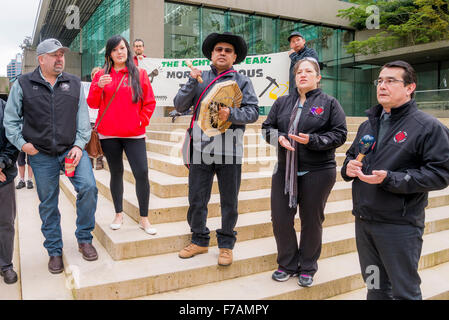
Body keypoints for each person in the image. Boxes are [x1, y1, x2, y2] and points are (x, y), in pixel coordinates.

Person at [342, 60, 449, 300]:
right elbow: (351, 156)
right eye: (380, 80)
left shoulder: (428, 127)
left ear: (410, 87)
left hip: (399, 225)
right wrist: (348, 167)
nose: (382, 85)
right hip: (364, 221)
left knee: (405, 292)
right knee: (374, 287)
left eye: (391, 81)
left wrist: (391, 179)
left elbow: (441, 174)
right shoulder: (368, 124)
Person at [4, 38, 99, 274]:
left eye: (62, 55)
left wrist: (79, 145)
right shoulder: (23, 84)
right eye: (55, 55)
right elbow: (11, 120)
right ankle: (54, 250)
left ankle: (84, 238)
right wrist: (23, 145)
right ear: (41, 59)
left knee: (89, 188)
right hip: (41, 155)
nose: (60, 59)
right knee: (48, 204)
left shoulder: (74, 84)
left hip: (71, 150)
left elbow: (83, 121)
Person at [174, 32, 259, 266]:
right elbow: (179, 105)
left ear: (234, 57)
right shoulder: (199, 78)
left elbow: (253, 112)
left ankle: (226, 245)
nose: (222, 53)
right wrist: (192, 81)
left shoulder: (242, 82)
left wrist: (231, 114)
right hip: (201, 149)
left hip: (230, 149)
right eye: (218, 49)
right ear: (211, 54)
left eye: (228, 50)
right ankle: (199, 239)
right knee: (197, 198)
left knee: (229, 201)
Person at [262, 57, 347, 287]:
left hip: (318, 171)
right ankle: (288, 263)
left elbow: (340, 134)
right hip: (284, 170)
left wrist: (312, 140)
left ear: (318, 77)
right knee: (280, 219)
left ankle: (308, 266)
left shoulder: (329, 103)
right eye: (299, 71)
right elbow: (266, 127)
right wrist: (278, 137)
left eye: (309, 71)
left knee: (311, 221)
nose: (303, 74)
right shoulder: (281, 102)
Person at [87, 35, 157, 235]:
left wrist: (141, 120)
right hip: (109, 134)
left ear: (128, 50)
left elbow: (149, 102)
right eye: (115, 49)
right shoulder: (101, 75)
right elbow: (92, 103)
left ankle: (144, 218)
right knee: (116, 173)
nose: (120, 52)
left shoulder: (140, 74)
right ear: (110, 54)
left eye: (123, 48)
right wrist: (98, 86)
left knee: (142, 173)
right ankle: (119, 214)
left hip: (134, 134)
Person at [0, 98, 19, 284]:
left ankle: (6, 265)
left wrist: (1, 163)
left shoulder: (5, 108)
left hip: (3, 176)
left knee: (6, 222)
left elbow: (13, 140)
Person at [87, 66, 104, 170]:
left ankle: (99, 160)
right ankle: (89, 160)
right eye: (94, 74)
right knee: (88, 141)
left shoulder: (105, 87)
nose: (96, 76)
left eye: (99, 74)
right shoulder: (86, 87)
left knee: (100, 140)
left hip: (100, 118)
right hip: (88, 118)